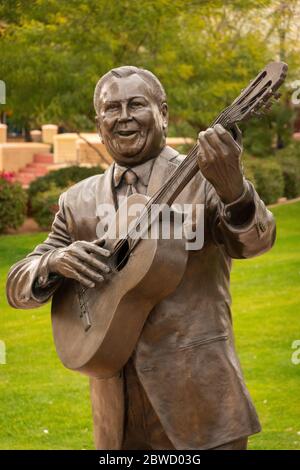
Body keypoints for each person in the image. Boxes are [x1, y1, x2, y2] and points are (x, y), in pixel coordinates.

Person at [6, 66, 276, 450]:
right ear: (99, 123)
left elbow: (256, 241)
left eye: (136, 104)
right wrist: (52, 263)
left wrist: (235, 192)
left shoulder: (205, 179)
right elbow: (18, 285)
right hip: (115, 414)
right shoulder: (77, 201)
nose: (124, 116)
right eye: (111, 108)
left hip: (201, 404)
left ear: (163, 112)